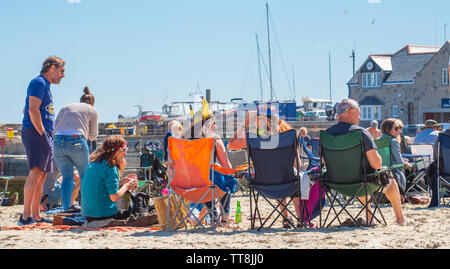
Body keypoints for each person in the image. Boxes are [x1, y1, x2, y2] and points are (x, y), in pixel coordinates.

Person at [325, 99, 411, 225]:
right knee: (386, 176)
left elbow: (326, 163)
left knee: (360, 174)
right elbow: (376, 164)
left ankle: (370, 217)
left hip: (336, 183)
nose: (359, 118)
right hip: (360, 183)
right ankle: (400, 218)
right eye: (359, 114)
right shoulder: (361, 133)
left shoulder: (326, 135)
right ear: (351, 112)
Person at [228, 106, 302, 228]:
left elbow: (231, 144)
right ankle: (300, 218)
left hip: (264, 183)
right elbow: (298, 165)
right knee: (292, 175)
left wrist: (244, 124)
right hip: (289, 183)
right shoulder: (288, 135)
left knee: (275, 174)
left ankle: (286, 218)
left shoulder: (254, 137)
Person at [19, 56, 65, 225]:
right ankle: (25, 216)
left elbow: (26, 108)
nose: (63, 75)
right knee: (36, 172)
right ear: (52, 67)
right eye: (61, 71)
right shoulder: (38, 82)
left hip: (42, 134)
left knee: (42, 175)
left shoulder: (46, 86)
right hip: (36, 133)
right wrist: (42, 133)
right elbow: (32, 109)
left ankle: (35, 215)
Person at [53, 86, 98, 210]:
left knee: (67, 177)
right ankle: (85, 207)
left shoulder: (66, 107)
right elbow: (93, 136)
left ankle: (66, 208)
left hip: (57, 141)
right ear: (92, 103)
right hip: (76, 141)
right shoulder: (92, 110)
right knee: (84, 175)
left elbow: (54, 127)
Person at [81, 135, 138, 225]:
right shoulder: (110, 167)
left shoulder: (94, 163)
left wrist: (123, 181)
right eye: (124, 150)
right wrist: (126, 187)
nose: (125, 153)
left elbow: (102, 185)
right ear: (116, 151)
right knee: (133, 212)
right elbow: (114, 197)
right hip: (102, 214)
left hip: (88, 214)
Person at [379, 118, 414, 196]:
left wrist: (402, 161)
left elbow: (386, 157)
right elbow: (399, 162)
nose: (399, 131)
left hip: (381, 173)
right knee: (413, 169)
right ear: (388, 128)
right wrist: (405, 163)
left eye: (400, 128)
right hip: (393, 173)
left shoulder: (377, 140)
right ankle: (401, 194)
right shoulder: (393, 141)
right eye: (396, 128)